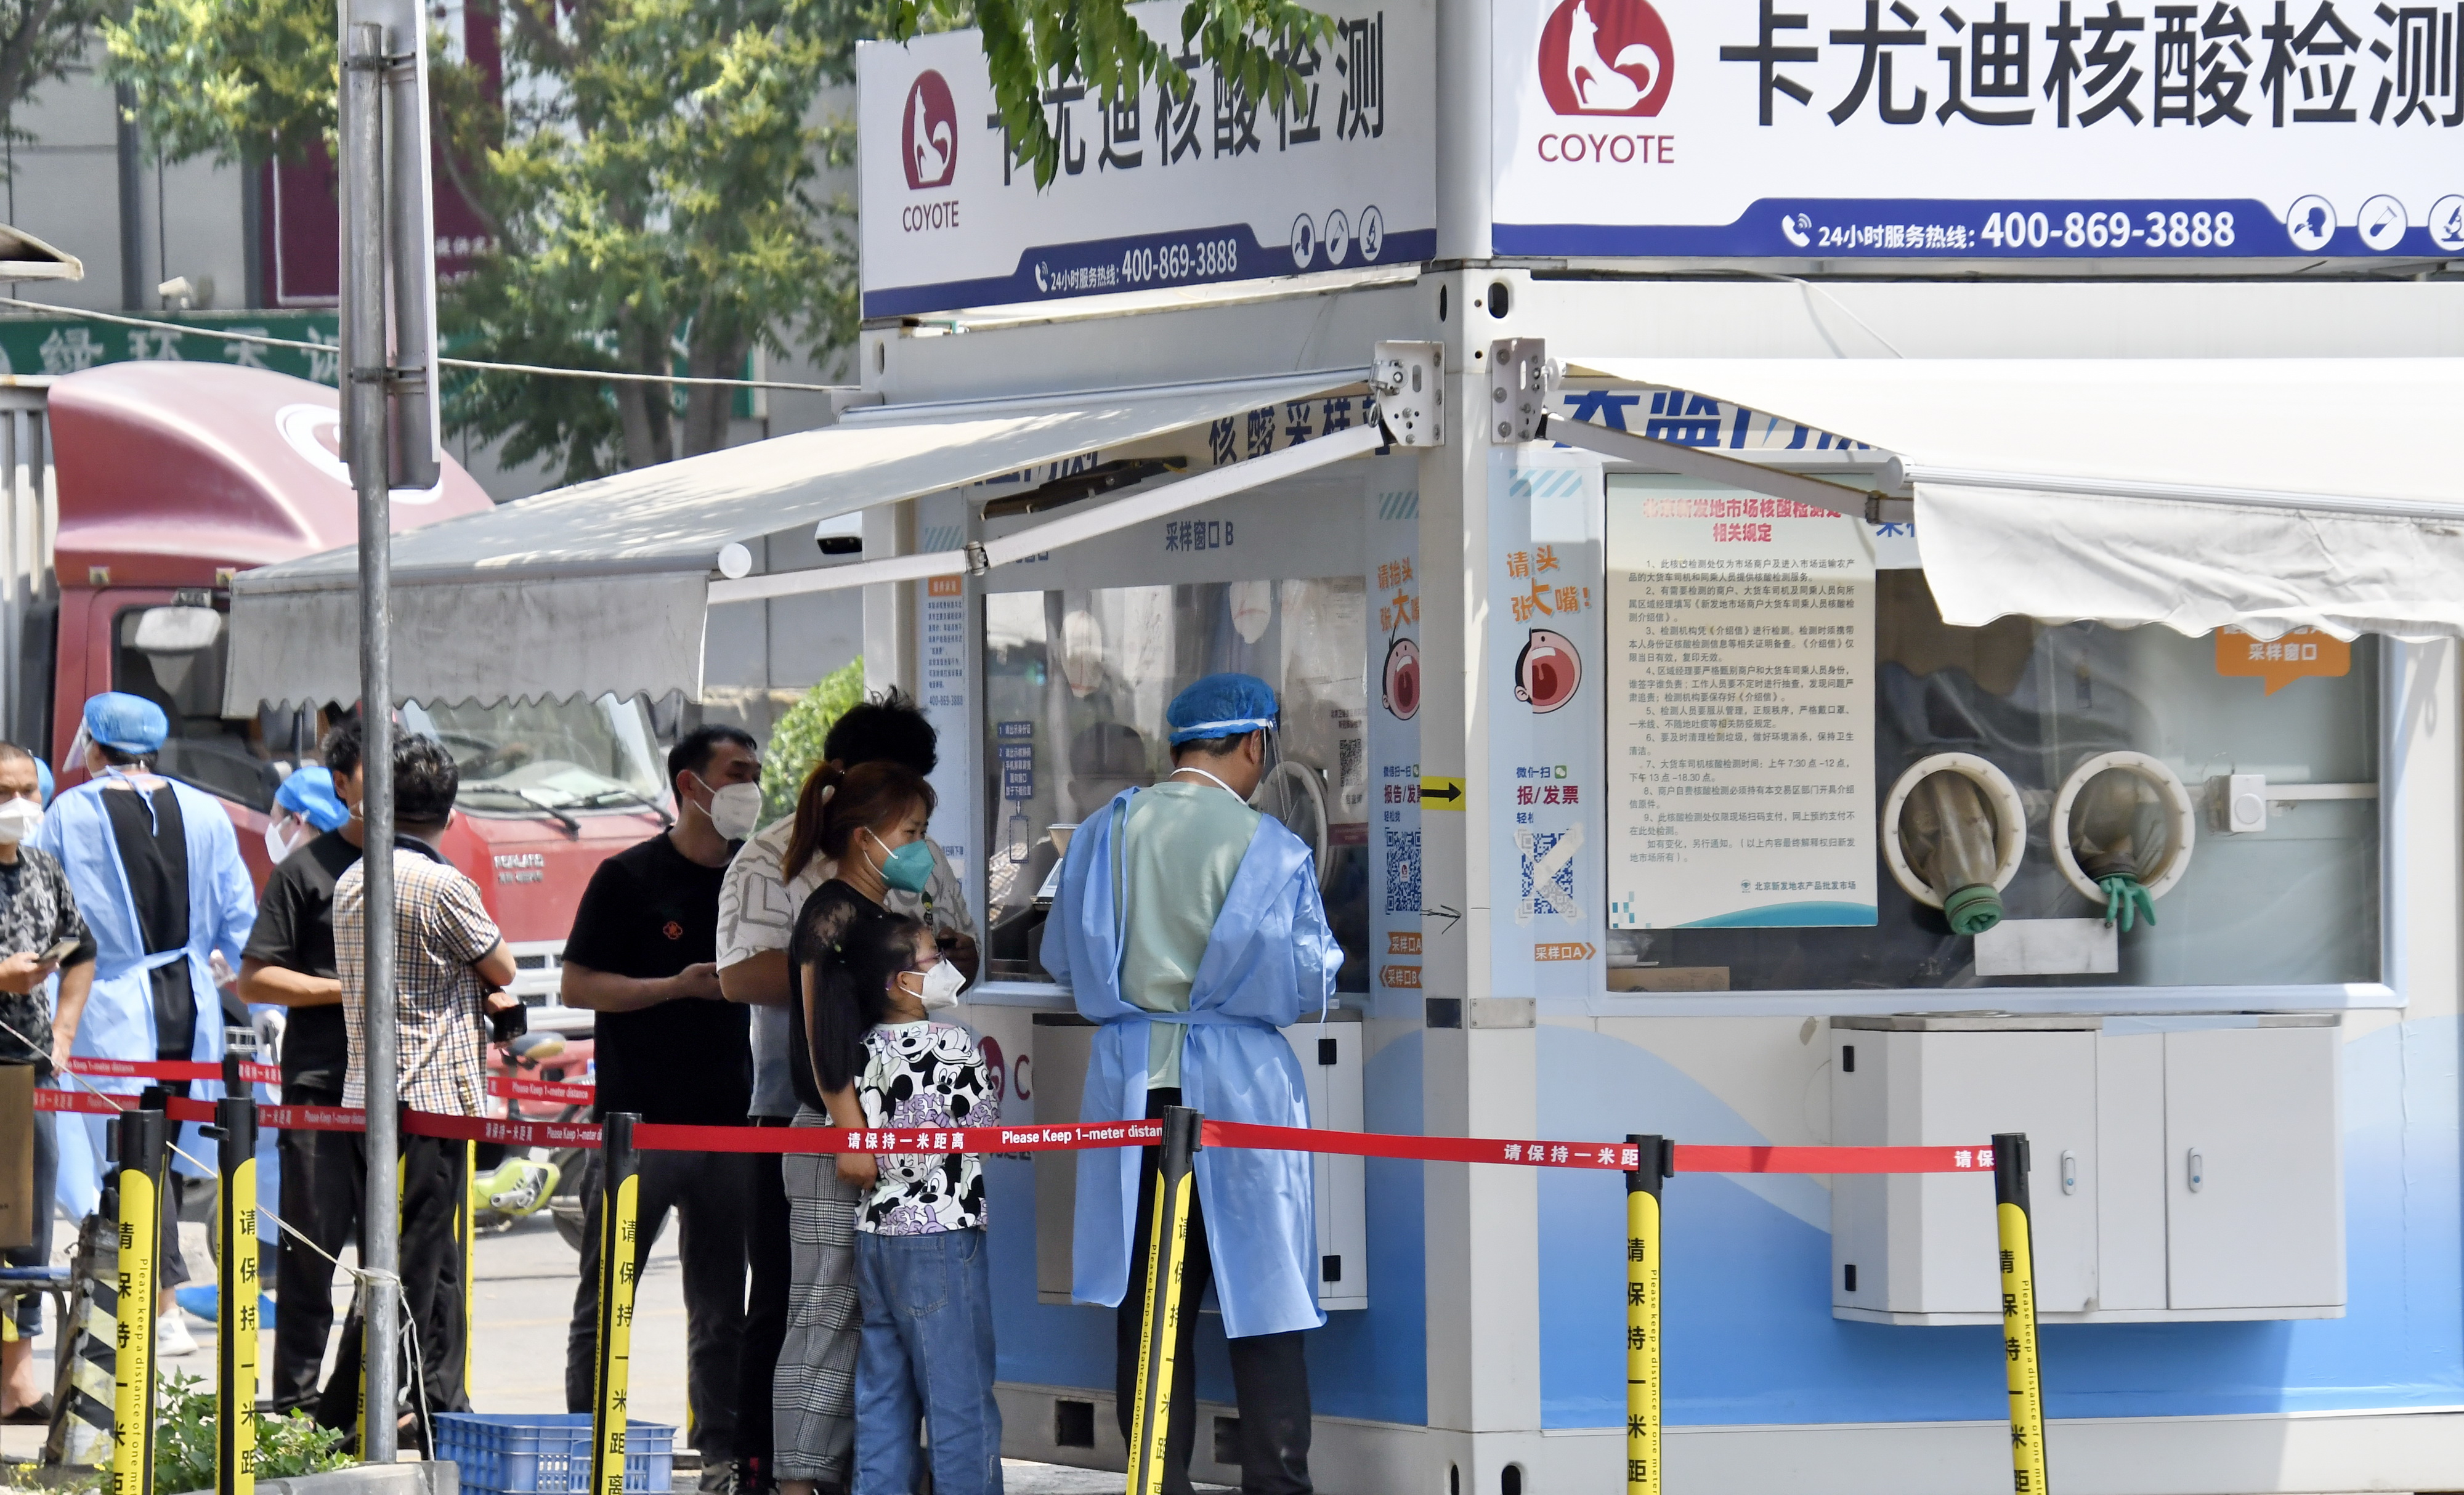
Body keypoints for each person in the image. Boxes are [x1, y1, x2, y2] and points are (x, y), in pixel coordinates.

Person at [1044, 673, 1338, 1495]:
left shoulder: (1104, 833)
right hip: (1242, 1093)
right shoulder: (1271, 845)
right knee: (1268, 1297)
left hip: (1135, 1087)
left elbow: (1062, 957)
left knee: (1151, 1304)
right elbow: (1307, 984)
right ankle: (1277, 1481)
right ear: (1254, 743)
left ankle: (1157, 1479)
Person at [715, 690, 978, 1495]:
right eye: (904, 808)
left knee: (892, 1311)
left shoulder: (905, 872)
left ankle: (878, 1468)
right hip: (816, 1113)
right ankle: (777, 1470)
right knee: (808, 1307)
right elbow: (766, 990)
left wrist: (934, 963)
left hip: (901, 1114)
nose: (917, 833)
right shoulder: (789, 874)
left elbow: (959, 953)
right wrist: (882, 975)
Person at [560, 725, 761, 1488]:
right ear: (689, 785)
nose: (750, 787)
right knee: (607, 1298)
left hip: (729, 1127)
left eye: (755, 772)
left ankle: (720, 1453)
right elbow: (578, 985)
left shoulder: (754, 878)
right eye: (736, 772)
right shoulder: (628, 877)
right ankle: (591, 1445)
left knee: (722, 1308)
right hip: (637, 1129)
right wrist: (674, 987)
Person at [37, 692, 256, 1360]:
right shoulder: (207, 811)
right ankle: (155, 1303)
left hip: (109, 1004)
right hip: (191, 1002)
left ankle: (154, 1305)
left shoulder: (70, 812)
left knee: (124, 1156)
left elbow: (48, 915)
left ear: (95, 743)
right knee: (161, 1153)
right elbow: (239, 919)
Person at [753, 760, 941, 1495]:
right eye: (911, 832)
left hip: (871, 1138)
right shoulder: (832, 914)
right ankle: (796, 1482)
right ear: (865, 838)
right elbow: (822, 1036)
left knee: (870, 1320)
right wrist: (851, 1133)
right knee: (824, 1315)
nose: (921, 847)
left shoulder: (877, 916)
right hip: (839, 1136)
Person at [330, 729, 520, 1438]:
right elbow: (502, 966)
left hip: (367, 1095)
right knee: (409, 1267)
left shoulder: (354, 877)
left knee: (430, 1266)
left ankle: (438, 1404)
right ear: (450, 810)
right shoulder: (442, 885)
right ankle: (346, 1414)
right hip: (430, 1099)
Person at [805, 910, 997, 1495]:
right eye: (933, 956)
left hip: (876, 1239)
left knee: (883, 1400)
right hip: (943, 1236)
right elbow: (986, 1125)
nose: (945, 965)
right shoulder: (951, 1043)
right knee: (958, 1400)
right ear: (900, 982)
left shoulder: (856, 1049)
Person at [238, 726, 373, 1411]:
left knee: (403, 1263)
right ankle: (295, 1403)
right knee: (310, 1250)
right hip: (322, 1085)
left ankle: (366, 1398)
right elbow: (256, 978)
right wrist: (348, 991)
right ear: (341, 784)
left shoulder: (419, 867)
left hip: (406, 1087)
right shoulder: (304, 872)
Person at [0, 741, 93, 1424]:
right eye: (5, 792)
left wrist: (62, 1032)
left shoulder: (42, 868)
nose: (20, 805)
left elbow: (81, 948)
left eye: (29, 790)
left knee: (22, 1232)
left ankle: (16, 1383)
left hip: (24, 1072)